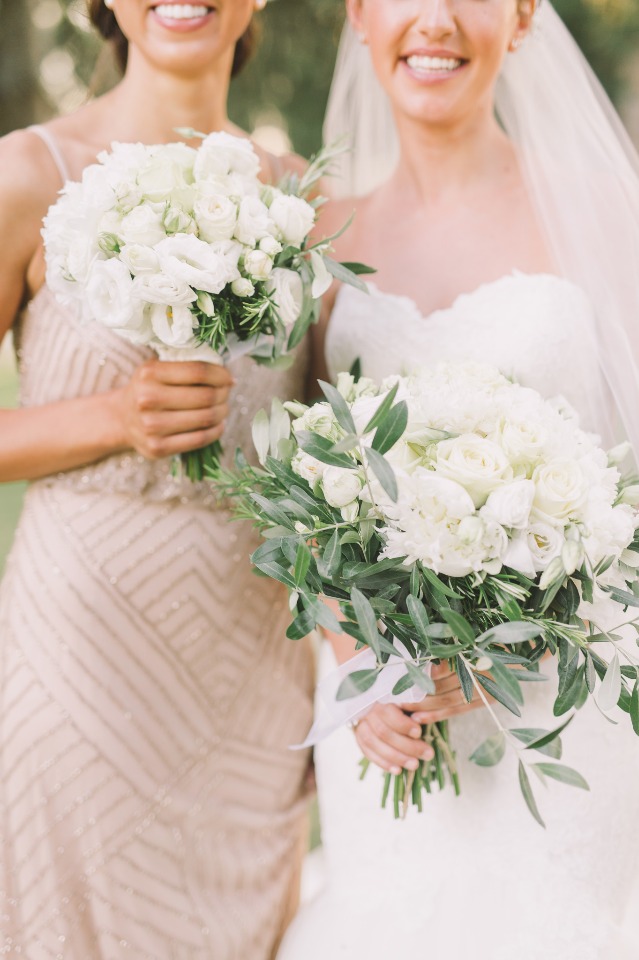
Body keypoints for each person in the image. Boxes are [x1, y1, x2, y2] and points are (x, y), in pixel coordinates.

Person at [278, 1, 639, 957]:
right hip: (387, 716)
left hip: (558, 711)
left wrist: (507, 648)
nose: (433, 19)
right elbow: (296, 488)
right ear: (359, 15)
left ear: (521, 17)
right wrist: (355, 661)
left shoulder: (605, 207)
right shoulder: (320, 233)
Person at [0, 2, 313, 956]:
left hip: (253, 674)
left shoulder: (300, 199)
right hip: (84, 654)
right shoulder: (28, 173)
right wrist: (108, 417)